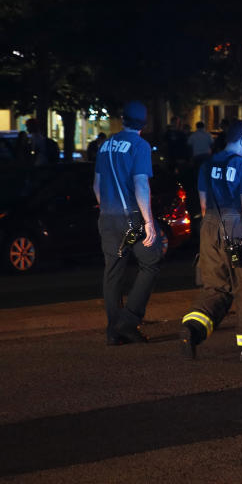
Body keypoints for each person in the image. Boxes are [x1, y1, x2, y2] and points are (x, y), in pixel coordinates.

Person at [180, 120, 242, 361]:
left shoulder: (206, 165)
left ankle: (192, 329)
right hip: (237, 230)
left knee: (216, 287)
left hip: (209, 229)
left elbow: (202, 204)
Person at [93, 101, 162, 345]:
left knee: (112, 273)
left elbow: (97, 186)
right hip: (131, 219)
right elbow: (141, 184)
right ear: (143, 124)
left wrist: (108, 208)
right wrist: (149, 221)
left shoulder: (105, 145)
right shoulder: (140, 146)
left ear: (123, 120)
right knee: (151, 260)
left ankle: (114, 331)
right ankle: (129, 320)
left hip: (108, 218)